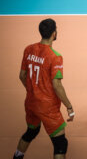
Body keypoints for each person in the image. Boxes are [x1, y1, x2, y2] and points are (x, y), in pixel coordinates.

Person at [13, 19, 74, 159]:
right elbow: (57, 86)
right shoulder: (55, 57)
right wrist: (69, 107)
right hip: (48, 108)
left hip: (31, 102)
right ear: (54, 33)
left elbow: (22, 75)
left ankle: (17, 156)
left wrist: (33, 90)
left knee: (31, 132)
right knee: (60, 144)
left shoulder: (28, 49)